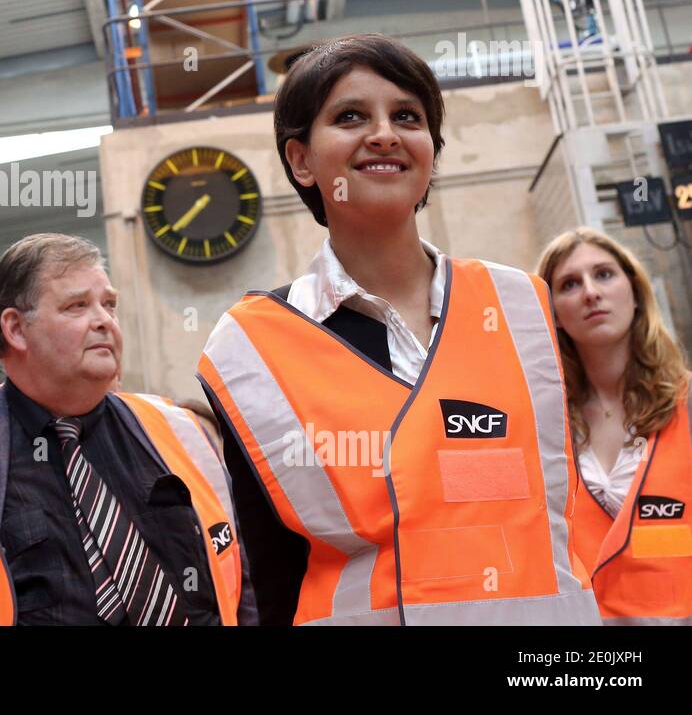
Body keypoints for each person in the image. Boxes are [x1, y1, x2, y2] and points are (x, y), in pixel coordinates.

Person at [196, 33, 600, 625]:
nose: (384, 133)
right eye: (351, 116)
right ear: (301, 160)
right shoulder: (249, 347)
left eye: (406, 116)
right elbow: (267, 571)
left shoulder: (522, 304)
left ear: (431, 150)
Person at [0, 233, 255, 625]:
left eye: (109, 305)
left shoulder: (185, 433)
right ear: (16, 328)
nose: (104, 322)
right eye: (77, 306)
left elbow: (247, 584)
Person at [537, 227, 692, 624]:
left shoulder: (686, 404)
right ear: (551, 311)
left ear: (636, 292)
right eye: (570, 283)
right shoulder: (542, 423)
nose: (590, 292)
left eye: (604, 274)